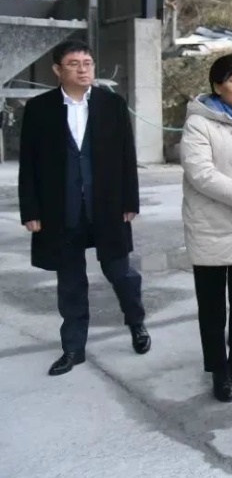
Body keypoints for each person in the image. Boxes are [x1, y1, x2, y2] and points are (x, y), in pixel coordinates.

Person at [18, 39, 150, 376]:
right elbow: (28, 164)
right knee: (70, 282)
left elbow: (127, 156)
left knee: (121, 273)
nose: (82, 70)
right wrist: (30, 211)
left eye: (87, 63)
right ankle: (73, 348)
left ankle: (136, 322)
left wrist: (130, 200)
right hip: (60, 210)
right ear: (57, 70)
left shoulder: (112, 104)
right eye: (74, 64)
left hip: (106, 205)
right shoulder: (39, 109)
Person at [180, 54, 232, 403]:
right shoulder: (200, 122)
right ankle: (218, 370)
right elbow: (201, 174)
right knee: (212, 307)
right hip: (211, 225)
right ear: (217, 86)